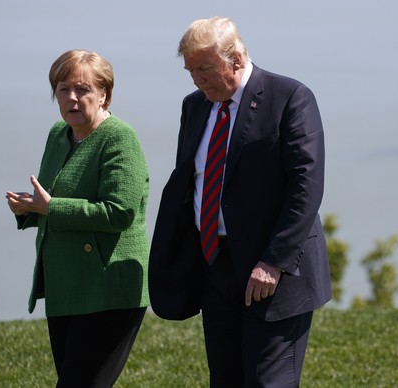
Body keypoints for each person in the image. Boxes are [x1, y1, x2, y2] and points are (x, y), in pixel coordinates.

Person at [149, 17, 331, 387]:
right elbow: (191, 183)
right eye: (190, 70)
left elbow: (306, 187)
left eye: (204, 68)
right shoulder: (194, 106)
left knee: (268, 382)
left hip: (273, 275)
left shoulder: (290, 98)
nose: (197, 79)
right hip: (215, 268)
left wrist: (274, 263)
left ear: (237, 57)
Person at [6, 49, 150, 387]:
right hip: (65, 286)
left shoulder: (119, 137)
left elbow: (120, 212)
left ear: (104, 94)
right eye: (63, 89)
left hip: (109, 287)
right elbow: (51, 197)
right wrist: (29, 208)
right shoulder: (59, 134)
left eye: (83, 89)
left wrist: (50, 208)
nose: (72, 98)